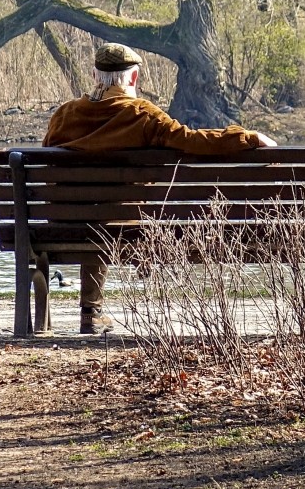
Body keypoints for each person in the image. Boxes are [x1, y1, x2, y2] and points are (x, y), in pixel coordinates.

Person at [43, 43, 277, 333]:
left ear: (94, 75)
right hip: (122, 225)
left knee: (95, 212)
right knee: (110, 213)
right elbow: (193, 141)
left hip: (63, 224)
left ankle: (91, 312)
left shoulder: (64, 114)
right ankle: (96, 308)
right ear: (133, 78)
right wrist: (247, 137)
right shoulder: (143, 114)